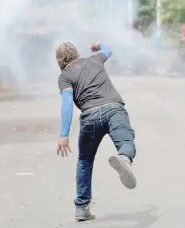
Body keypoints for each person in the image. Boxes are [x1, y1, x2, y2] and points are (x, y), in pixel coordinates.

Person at [56, 41, 137, 222]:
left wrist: (64, 134)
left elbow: (67, 104)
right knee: (126, 142)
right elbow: (108, 50)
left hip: (89, 116)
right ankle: (124, 159)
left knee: (85, 160)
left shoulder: (65, 76)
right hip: (114, 109)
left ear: (59, 61)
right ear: (76, 53)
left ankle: (82, 208)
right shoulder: (95, 60)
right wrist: (99, 45)